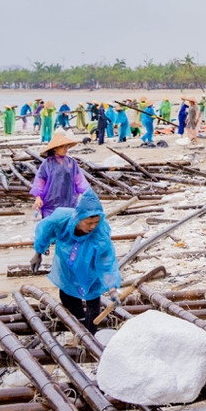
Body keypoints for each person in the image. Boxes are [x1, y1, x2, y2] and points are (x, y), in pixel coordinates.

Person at [29, 189, 120, 324]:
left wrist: (112, 288)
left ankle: (91, 333)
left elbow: (106, 261)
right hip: (66, 262)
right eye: (89, 223)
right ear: (78, 217)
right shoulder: (61, 219)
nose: (93, 226)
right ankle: (79, 323)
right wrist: (38, 252)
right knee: (67, 295)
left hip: (90, 266)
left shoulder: (100, 233)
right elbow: (45, 231)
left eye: (96, 222)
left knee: (93, 296)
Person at [31, 132, 90, 218]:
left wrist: (88, 194)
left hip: (69, 200)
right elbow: (40, 181)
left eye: (67, 146)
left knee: (67, 225)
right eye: (63, 147)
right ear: (55, 148)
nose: (66, 149)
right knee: (52, 226)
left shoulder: (71, 163)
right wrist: (38, 197)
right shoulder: (47, 164)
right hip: (50, 202)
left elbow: (79, 180)